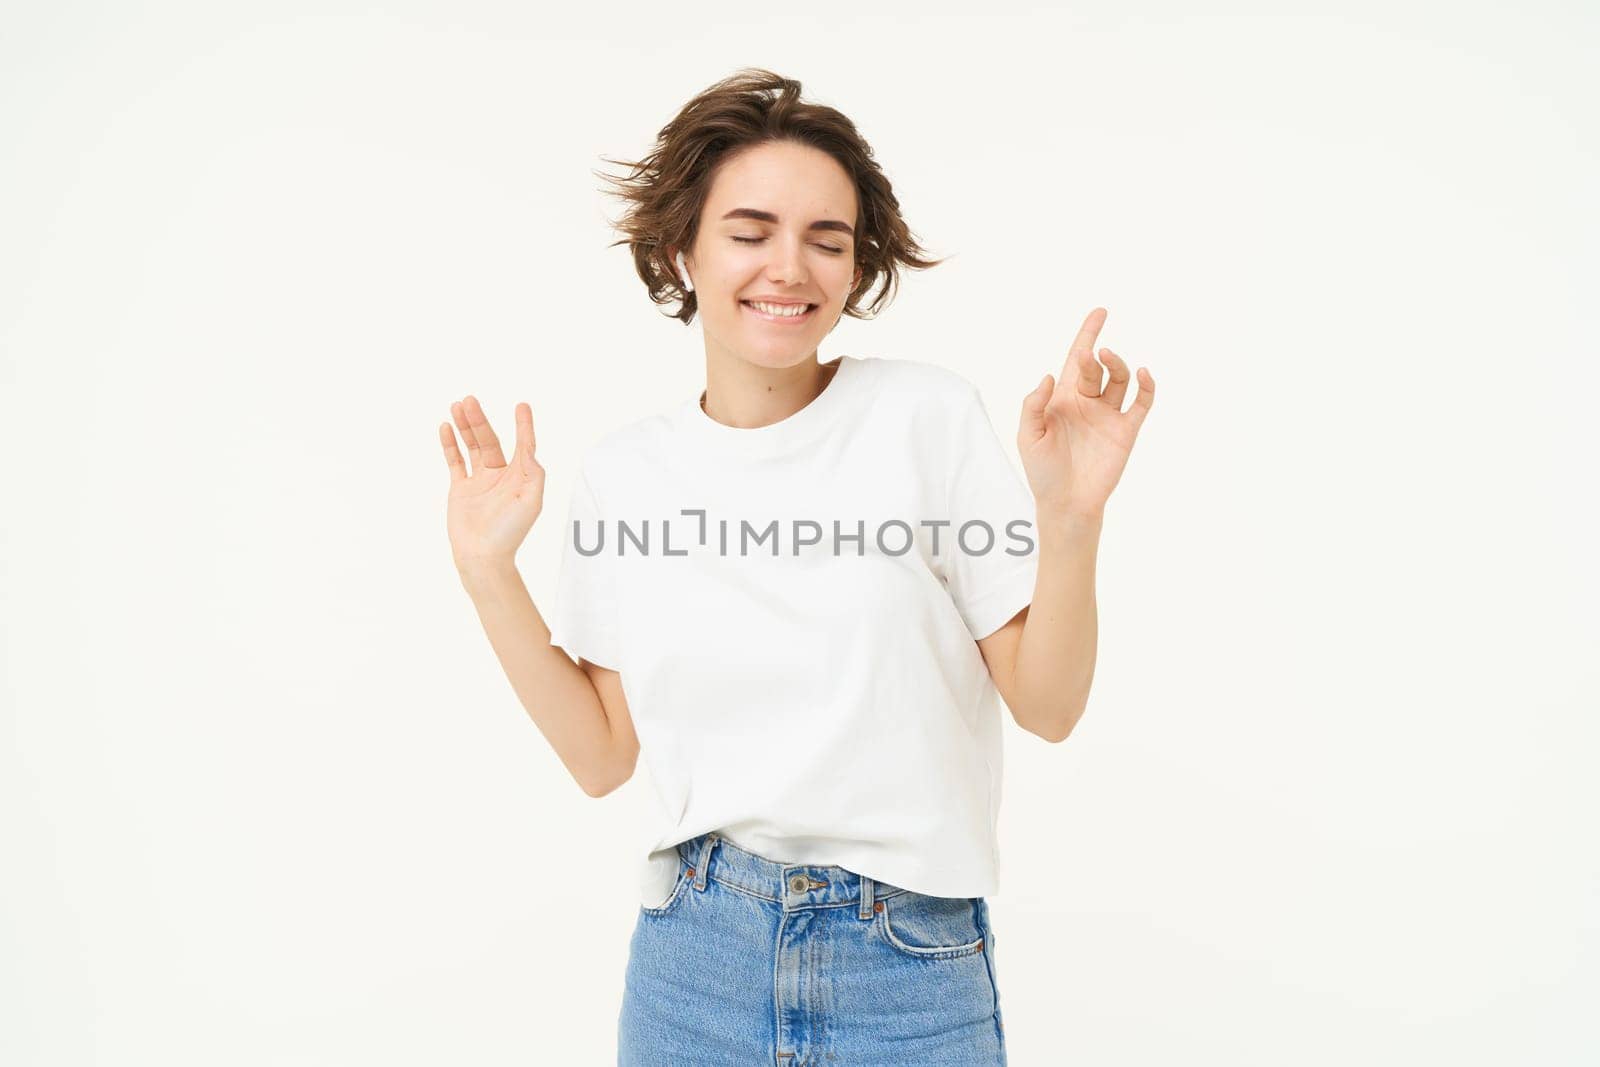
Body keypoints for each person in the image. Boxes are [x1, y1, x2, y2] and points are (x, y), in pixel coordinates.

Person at [439, 68, 1154, 1066]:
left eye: (827, 238)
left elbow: (1048, 703)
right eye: (750, 231)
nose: (791, 267)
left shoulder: (926, 419)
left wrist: (1070, 518)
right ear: (679, 247)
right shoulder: (626, 475)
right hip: (696, 963)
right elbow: (601, 753)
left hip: (908, 964)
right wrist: (487, 573)